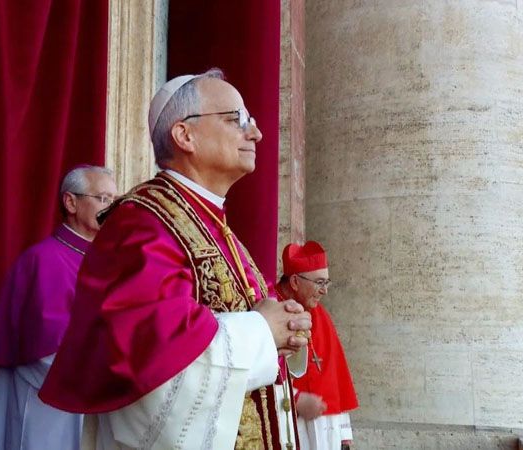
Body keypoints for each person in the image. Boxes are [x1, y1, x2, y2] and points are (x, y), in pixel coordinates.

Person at [39, 69, 312, 450]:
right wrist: (261, 332)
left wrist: (284, 331)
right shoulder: (142, 223)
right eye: (237, 119)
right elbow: (149, 357)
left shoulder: (215, 224)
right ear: (185, 135)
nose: (256, 133)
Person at [0, 165, 119, 450]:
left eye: (114, 200)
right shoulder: (45, 260)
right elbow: (44, 347)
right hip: (49, 402)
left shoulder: (104, 260)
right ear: (71, 202)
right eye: (103, 199)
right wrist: (110, 377)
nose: (112, 208)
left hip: (92, 398)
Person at [275, 241, 358, 450]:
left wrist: (344, 433)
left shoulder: (322, 316)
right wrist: (295, 401)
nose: (325, 291)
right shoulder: (271, 311)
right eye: (320, 283)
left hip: (326, 428)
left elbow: (336, 373)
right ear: (295, 281)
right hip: (287, 422)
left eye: (326, 283)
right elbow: (259, 371)